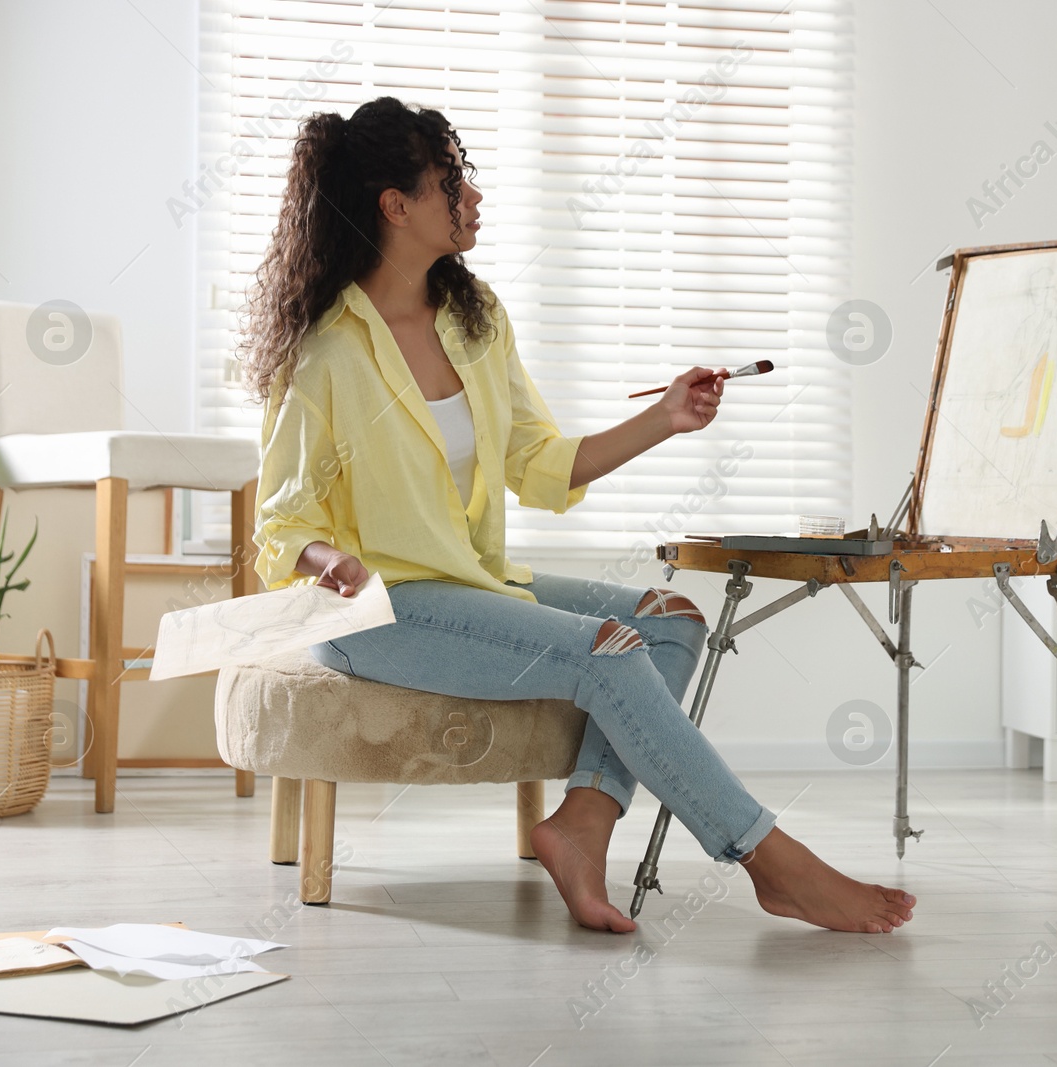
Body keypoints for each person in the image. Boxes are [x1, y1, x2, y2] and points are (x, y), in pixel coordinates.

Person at [239, 96, 915, 935]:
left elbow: (538, 465)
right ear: (396, 205)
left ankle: (583, 823)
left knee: (669, 621)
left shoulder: (472, 320)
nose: (473, 197)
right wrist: (328, 559)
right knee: (608, 652)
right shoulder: (329, 351)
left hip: (470, 583)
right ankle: (770, 861)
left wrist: (664, 416)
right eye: (453, 181)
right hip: (375, 610)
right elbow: (282, 517)